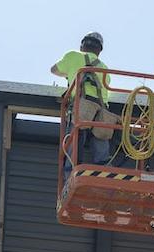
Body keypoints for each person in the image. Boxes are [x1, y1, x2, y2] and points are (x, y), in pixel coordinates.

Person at [51, 32, 111, 180]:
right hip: (101, 108)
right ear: (99, 50)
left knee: (75, 139)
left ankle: (71, 174)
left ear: (82, 45)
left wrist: (69, 74)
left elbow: (54, 70)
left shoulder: (73, 56)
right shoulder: (104, 67)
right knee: (101, 138)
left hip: (81, 106)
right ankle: (102, 174)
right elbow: (106, 89)